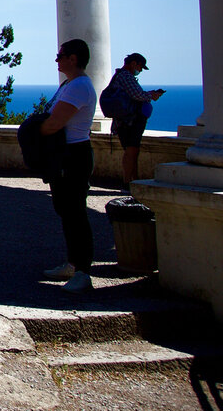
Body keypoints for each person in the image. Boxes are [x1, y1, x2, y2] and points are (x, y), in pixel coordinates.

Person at [41, 38, 98, 294]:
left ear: (73, 58)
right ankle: (73, 264)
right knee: (66, 210)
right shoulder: (71, 84)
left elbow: (55, 123)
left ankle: (83, 272)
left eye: (60, 55)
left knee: (75, 213)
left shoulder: (79, 86)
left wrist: (32, 132)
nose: (57, 59)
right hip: (68, 153)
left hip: (74, 154)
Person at [107, 52, 165, 188]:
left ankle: (133, 180)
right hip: (129, 122)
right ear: (134, 63)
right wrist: (151, 95)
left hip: (124, 121)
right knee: (131, 151)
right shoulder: (126, 76)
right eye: (140, 67)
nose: (140, 70)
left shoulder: (119, 76)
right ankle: (128, 182)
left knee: (131, 150)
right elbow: (137, 95)